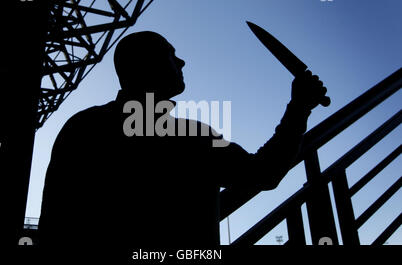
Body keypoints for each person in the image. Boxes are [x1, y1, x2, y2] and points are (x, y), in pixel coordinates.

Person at [39, 31, 328, 247]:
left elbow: (55, 223)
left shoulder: (83, 126)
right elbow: (264, 173)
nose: (182, 61)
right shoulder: (192, 137)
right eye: (169, 54)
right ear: (147, 64)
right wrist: (299, 107)